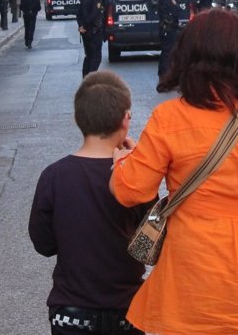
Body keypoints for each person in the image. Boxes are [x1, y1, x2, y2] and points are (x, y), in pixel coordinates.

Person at [110, 8, 238, 335]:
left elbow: (130, 190)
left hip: (192, 273)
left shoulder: (169, 119)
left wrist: (123, 159)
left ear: (186, 58)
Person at [29, 71, 151, 335]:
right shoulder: (136, 177)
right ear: (125, 121)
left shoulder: (54, 175)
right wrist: (140, 164)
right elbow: (149, 245)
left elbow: (43, 244)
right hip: (127, 310)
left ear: (77, 119)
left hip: (72, 313)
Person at [77, 0, 104, 77]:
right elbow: (93, 16)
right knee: (96, 57)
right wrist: (85, 26)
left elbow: (78, 14)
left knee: (88, 56)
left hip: (84, 32)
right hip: (93, 32)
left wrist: (81, 26)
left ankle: (85, 78)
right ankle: (91, 79)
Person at [156, 0, 181, 79]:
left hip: (168, 27)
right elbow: (172, 11)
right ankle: (165, 73)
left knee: (166, 50)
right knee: (168, 51)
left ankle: (163, 71)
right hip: (168, 28)